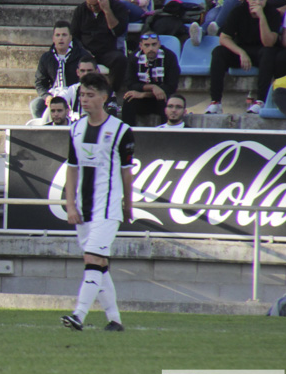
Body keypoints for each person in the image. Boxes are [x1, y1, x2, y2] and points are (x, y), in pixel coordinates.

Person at [61, 72, 134, 334]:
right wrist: (70, 205)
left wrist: (129, 204)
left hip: (109, 207)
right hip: (84, 208)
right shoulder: (75, 128)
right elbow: (72, 168)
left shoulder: (121, 130)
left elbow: (127, 171)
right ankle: (115, 320)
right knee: (99, 265)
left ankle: (79, 315)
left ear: (104, 98)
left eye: (90, 95)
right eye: (82, 94)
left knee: (92, 258)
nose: (84, 99)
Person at [205, 0, 281, 113]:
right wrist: (241, 52)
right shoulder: (238, 11)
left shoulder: (272, 13)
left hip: (262, 51)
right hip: (242, 50)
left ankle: (260, 101)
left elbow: (268, 43)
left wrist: (261, 17)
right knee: (218, 52)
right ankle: (215, 102)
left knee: (268, 53)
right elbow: (224, 38)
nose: (257, 2)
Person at [70, 0, 129, 92]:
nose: (92, 8)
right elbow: (74, 36)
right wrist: (84, 50)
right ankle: (77, 92)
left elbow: (118, 31)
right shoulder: (81, 10)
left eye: (95, 5)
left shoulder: (117, 7)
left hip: (108, 51)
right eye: (89, 5)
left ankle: (111, 93)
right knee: (72, 58)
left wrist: (106, 10)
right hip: (86, 51)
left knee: (120, 60)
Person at [30, 21, 92, 119]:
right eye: (57, 35)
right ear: (53, 38)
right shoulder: (46, 58)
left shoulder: (82, 56)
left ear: (70, 37)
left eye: (64, 35)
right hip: (54, 95)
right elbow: (39, 83)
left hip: (75, 94)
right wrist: (47, 96)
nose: (61, 38)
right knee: (36, 106)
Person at [121, 33, 182, 126]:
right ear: (141, 45)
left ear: (159, 44)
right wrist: (152, 87)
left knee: (166, 100)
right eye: (147, 45)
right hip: (142, 99)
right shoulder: (134, 57)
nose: (151, 48)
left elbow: (171, 86)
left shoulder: (169, 57)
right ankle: (128, 134)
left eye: (154, 44)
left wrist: (145, 94)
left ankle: (167, 133)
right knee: (129, 100)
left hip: (160, 98)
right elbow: (130, 83)